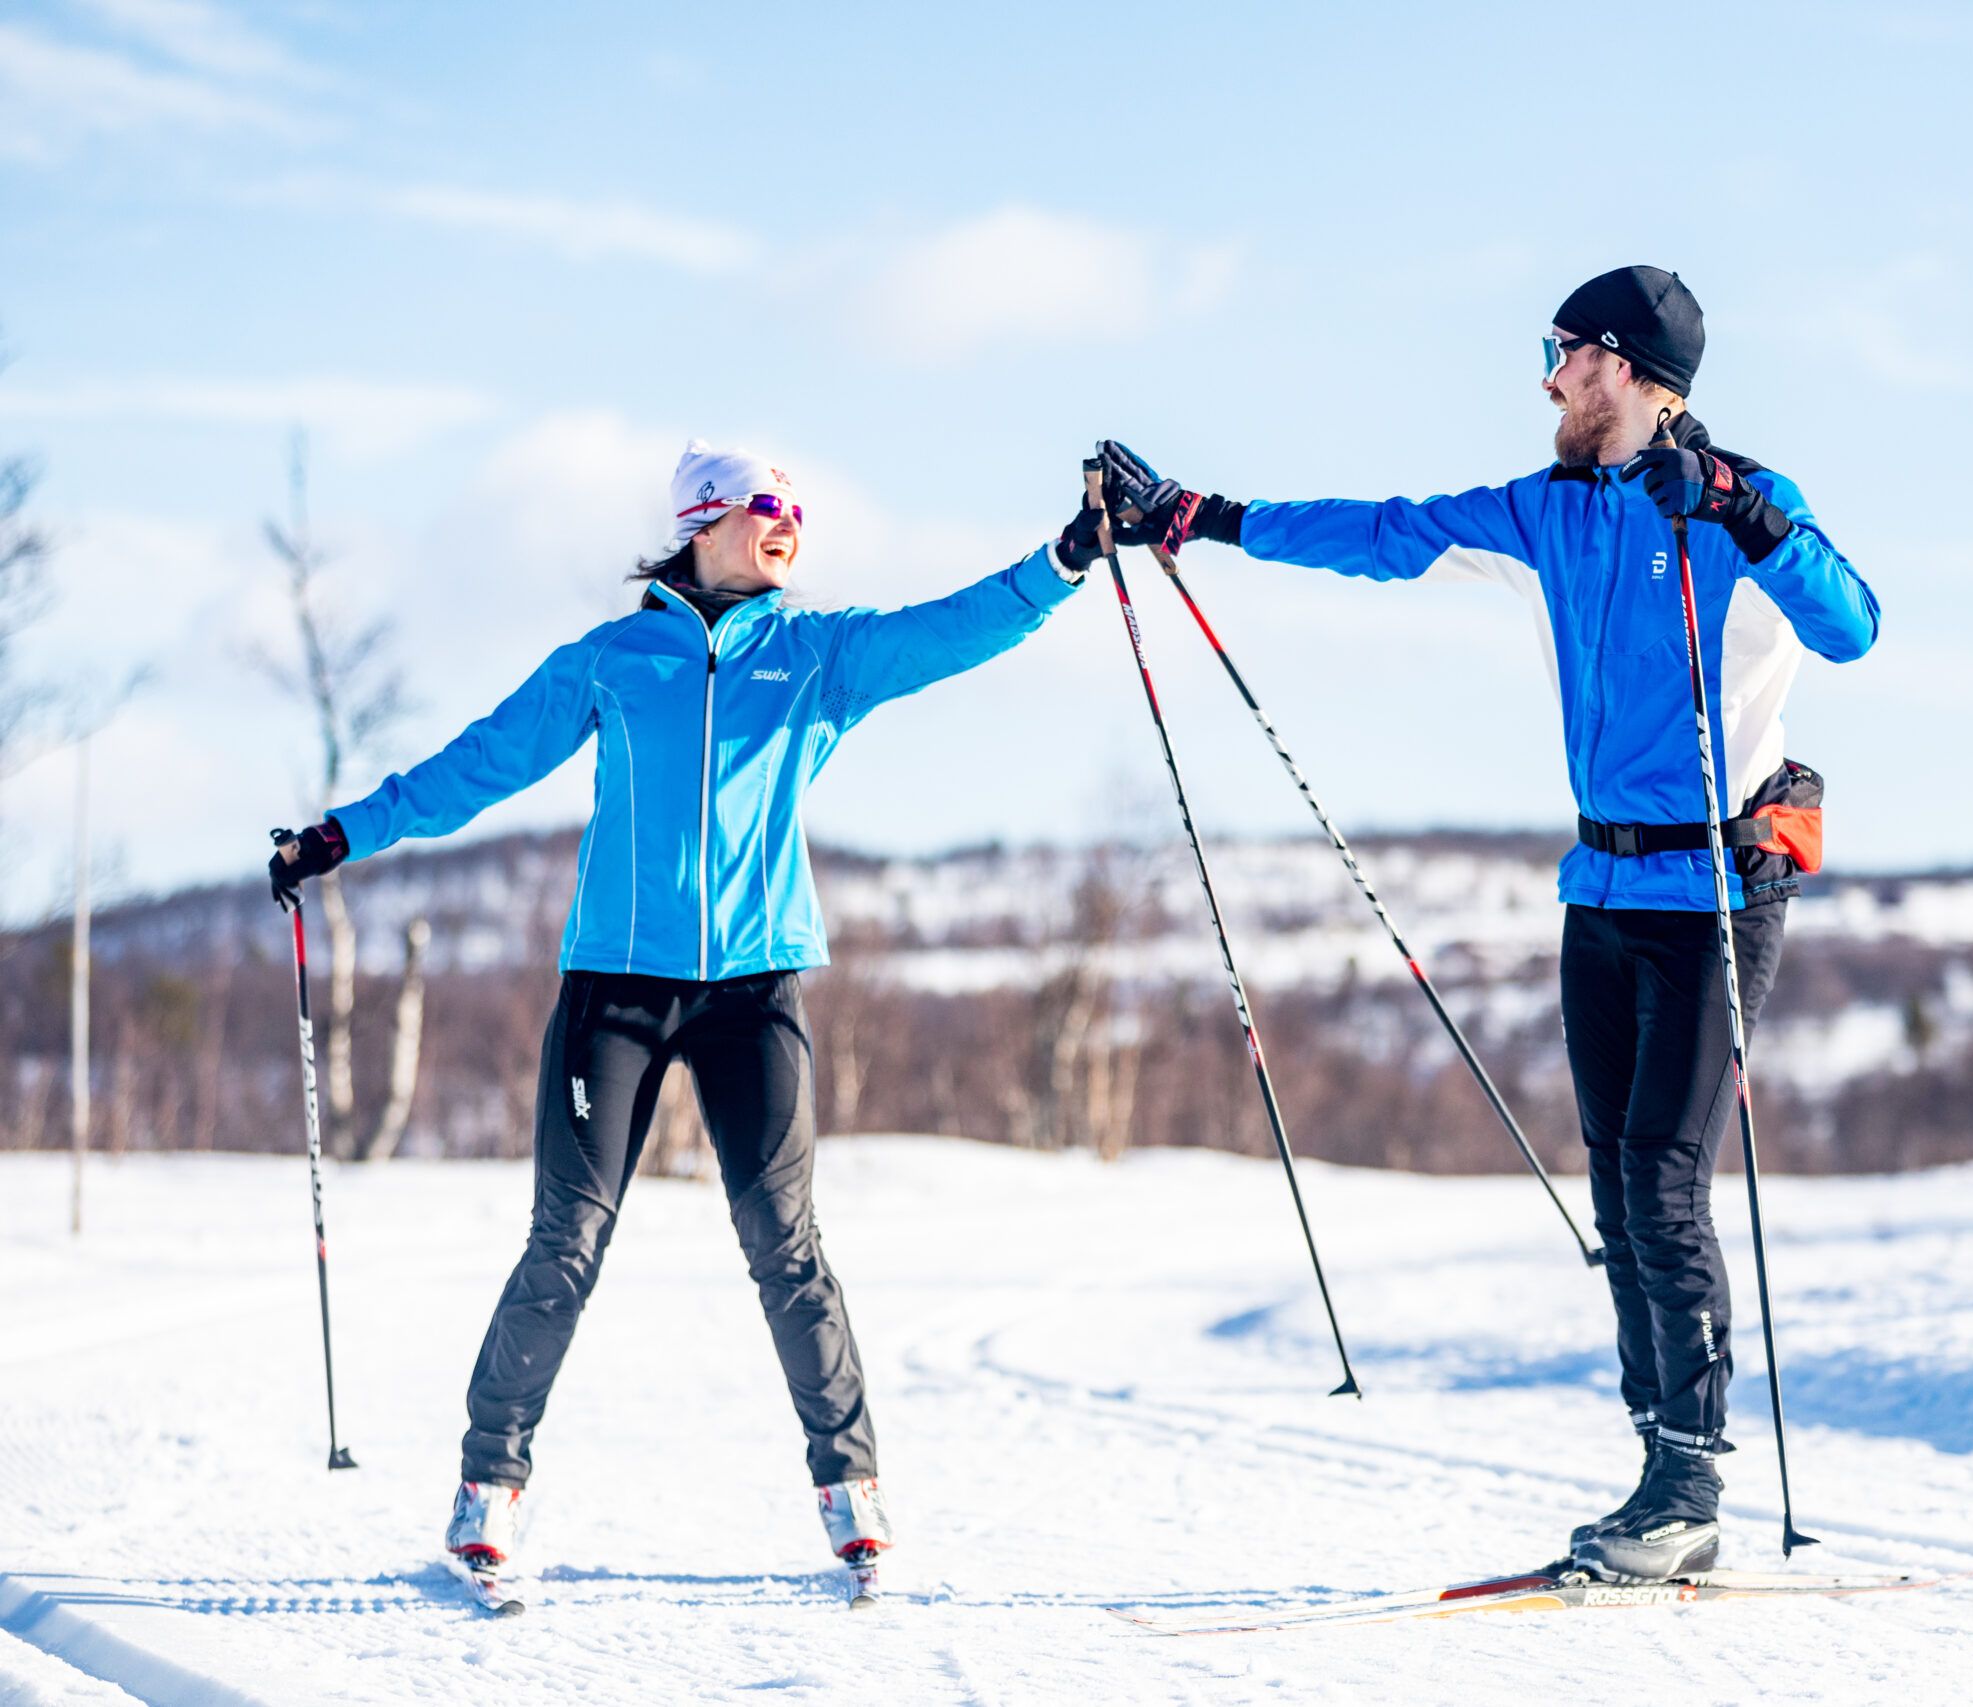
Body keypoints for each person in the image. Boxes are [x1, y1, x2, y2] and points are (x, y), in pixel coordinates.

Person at [1095, 265, 1879, 1582]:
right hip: (1603, 890)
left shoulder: (1743, 499)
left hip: (1718, 891)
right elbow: (1383, 531)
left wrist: (1743, 514)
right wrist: (1199, 514)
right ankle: (1658, 1475)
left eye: (1564, 354)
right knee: (1625, 1183)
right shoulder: (1551, 509)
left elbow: (1851, 630)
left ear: (1625, 367)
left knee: (1669, 1185)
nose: (1550, 379)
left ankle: (1690, 1492)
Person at [267, 440, 1117, 1603]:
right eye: (770, 506)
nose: (792, 526)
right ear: (706, 520)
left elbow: (950, 629)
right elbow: (486, 761)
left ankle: (852, 1495)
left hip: (753, 992)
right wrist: (345, 833)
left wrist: (1063, 561)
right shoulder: (616, 662)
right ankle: (487, 1494)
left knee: (786, 1245)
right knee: (567, 1242)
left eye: (801, 510)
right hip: (611, 991)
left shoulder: (816, 657)